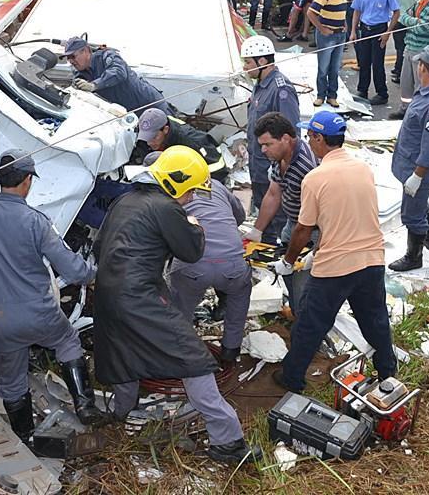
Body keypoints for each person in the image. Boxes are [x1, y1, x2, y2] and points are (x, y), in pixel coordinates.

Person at [93, 145, 261, 464]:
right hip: (140, 297)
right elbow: (191, 252)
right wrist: (194, 224)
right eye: (191, 191)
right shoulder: (167, 207)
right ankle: (228, 443)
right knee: (193, 358)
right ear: (176, 183)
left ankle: (118, 414)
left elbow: (101, 244)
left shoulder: (125, 200)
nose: (192, 198)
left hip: (108, 293)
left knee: (123, 353)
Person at [0, 150, 107, 448]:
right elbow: (73, 270)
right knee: (67, 342)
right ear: (28, 180)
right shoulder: (35, 221)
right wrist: (96, 273)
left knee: (12, 381)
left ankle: (26, 436)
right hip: (38, 314)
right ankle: (85, 406)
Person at [272, 110, 397, 393]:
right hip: (371, 260)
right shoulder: (363, 168)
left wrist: (289, 261)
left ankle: (292, 378)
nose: (308, 141)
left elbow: (302, 229)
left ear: (318, 138)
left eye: (310, 136)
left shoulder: (315, 179)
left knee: (310, 324)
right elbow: (347, 215)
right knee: (375, 320)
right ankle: (388, 372)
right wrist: (318, 249)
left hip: (335, 268)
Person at [153, 153, 251, 363]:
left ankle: (181, 356)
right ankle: (230, 351)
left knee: (180, 311)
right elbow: (240, 216)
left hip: (193, 264)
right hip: (232, 263)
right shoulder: (215, 185)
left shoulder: (163, 196)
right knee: (239, 297)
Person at [389, 45, 429, 271]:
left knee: (412, 214)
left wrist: (417, 176)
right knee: (419, 202)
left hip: (418, 167)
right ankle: (428, 235)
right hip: (410, 160)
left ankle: (414, 256)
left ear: (423, 68)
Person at [244, 113, 318, 313]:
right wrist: (257, 230)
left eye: (267, 144)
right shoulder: (280, 157)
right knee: (288, 272)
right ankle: (296, 307)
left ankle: (305, 318)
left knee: (304, 281)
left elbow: (317, 214)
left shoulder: (306, 166)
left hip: (311, 230)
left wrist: (312, 249)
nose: (263, 150)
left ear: (286, 138)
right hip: (293, 224)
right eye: (261, 145)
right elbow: (273, 193)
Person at [242, 35, 301, 244]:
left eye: (247, 62)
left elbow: (290, 134)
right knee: (263, 212)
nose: (244, 67)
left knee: (277, 221)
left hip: (272, 170)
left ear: (262, 62)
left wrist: (281, 169)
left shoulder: (281, 89)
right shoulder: (260, 85)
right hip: (258, 166)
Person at [65, 36, 170, 116]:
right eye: (68, 58)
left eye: (72, 56)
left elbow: (119, 72)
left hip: (150, 104)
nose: (71, 61)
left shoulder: (107, 55)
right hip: (129, 113)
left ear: (86, 51)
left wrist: (94, 85)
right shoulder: (80, 73)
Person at [389, 0, 429, 120]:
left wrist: (411, 21)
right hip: (409, 47)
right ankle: (405, 108)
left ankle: (419, 111)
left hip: (422, 50)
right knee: (405, 81)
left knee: (420, 84)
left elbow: (422, 28)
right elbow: (404, 16)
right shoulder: (419, 3)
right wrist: (413, 21)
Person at [351, 0, 400, 104]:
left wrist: (388, 32)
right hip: (365, 28)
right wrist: (353, 30)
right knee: (364, 61)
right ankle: (362, 90)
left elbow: (396, 12)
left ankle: (382, 93)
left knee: (377, 63)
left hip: (379, 29)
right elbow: (357, 10)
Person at [136, 108, 226, 179]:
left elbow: (218, 167)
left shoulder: (192, 142)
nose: (149, 143)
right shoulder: (146, 133)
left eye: (154, 137)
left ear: (165, 129)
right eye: (146, 137)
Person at [308, 0, 350, 107]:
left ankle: (332, 95)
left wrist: (344, 23)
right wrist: (321, 28)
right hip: (328, 35)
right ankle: (321, 95)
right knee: (323, 67)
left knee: (334, 67)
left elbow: (340, 9)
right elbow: (311, 12)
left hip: (339, 34)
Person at [390, 0, 422, 85]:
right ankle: (405, 70)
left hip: (400, 20)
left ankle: (399, 72)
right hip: (415, 19)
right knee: (412, 46)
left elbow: (391, 3)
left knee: (400, 48)